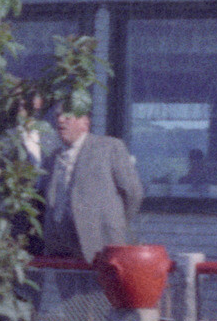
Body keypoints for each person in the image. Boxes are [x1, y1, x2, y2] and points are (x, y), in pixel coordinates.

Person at [38, 104, 143, 262]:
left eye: (67, 116)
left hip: (99, 245)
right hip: (62, 250)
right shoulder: (52, 158)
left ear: (85, 122)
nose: (60, 120)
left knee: (98, 288)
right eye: (57, 116)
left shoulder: (109, 147)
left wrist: (115, 223)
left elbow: (133, 193)